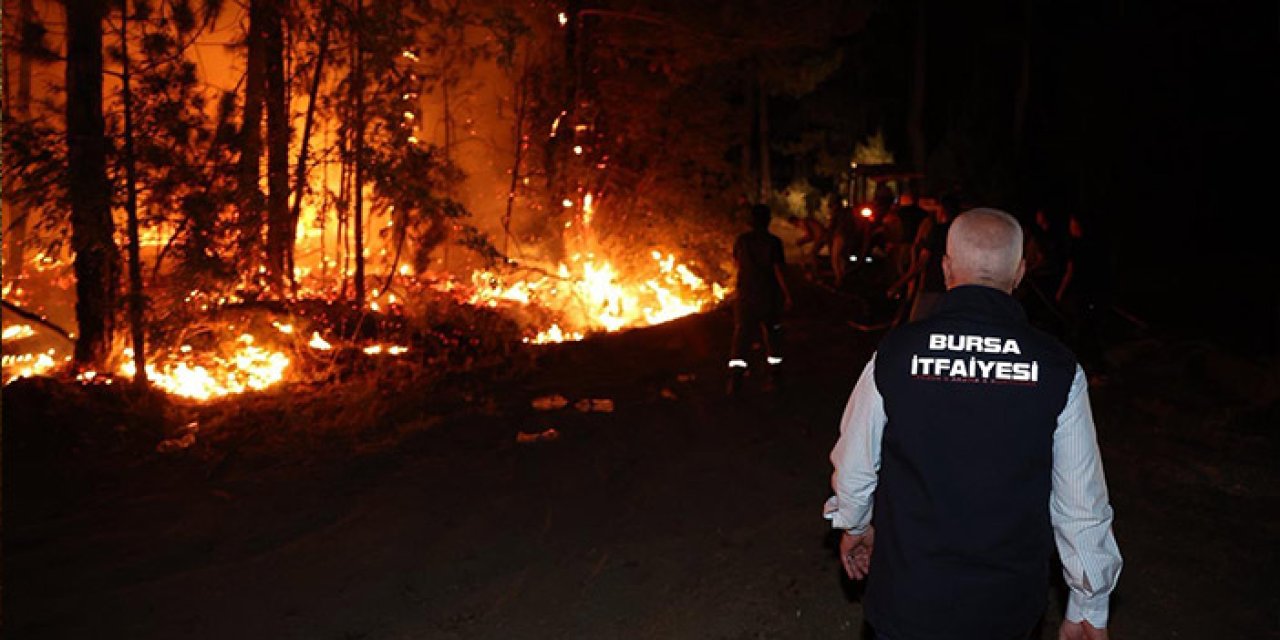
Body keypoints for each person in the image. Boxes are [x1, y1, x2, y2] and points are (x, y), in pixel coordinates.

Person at [825, 208, 1122, 640]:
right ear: (1020, 272)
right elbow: (1081, 502)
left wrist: (854, 525)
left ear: (945, 268)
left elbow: (854, 466)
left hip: (909, 596)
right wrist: (1088, 604)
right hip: (1004, 607)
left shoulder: (896, 352)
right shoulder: (1058, 368)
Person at [727, 204, 793, 395]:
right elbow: (779, 270)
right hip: (768, 295)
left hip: (746, 295)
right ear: (768, 220)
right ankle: (775, 375)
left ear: (751, 221)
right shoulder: (773, 242)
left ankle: (735, 379)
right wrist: (788, 294)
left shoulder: (742, 240)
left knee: (742, 335)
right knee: (772, 334)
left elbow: (737, 263)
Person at [1056, 213, 1112, 380]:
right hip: (1094, 292)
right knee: (1089, 327)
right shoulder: (1096, 245)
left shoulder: (1078, 246)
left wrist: (1061, 290)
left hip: (1083, 292)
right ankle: (1094, 365)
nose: (1070, 227)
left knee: (1082, 328)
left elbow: (1071, 271)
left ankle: (1092, 367)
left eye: (1072, 223)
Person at [887, 193, 958, 323]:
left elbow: (921, 263)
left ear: (941, 209)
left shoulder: (937, 231)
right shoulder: (958, 231)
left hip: (931, 286)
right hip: (953, 288)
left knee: (916, 323)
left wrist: (898, 284)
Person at [787, 213, 832, 281]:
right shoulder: (805, 220)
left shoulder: (802, 222)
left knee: (813, 254)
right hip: (824, 235)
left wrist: (801, 241)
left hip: (821, 237)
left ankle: (816, 274)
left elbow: (810, 236)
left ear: (794, 221)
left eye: (793, 224)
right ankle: (822, 269)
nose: (795, 226)